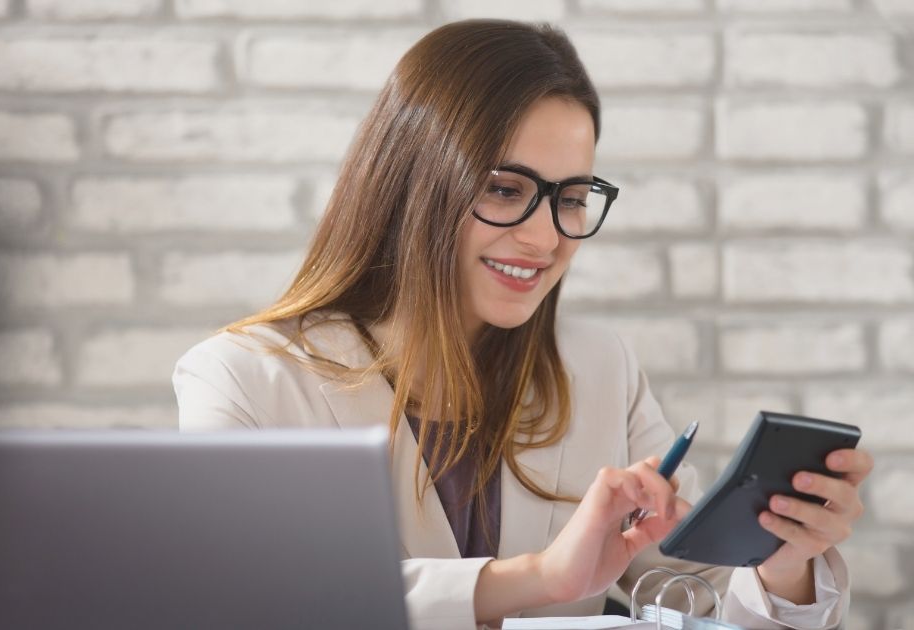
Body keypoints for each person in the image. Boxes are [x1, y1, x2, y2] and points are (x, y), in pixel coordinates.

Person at [173, 19, 872, 630]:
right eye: (505, 189)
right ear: (413, 184)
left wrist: (783, 560)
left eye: (571, 198)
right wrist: (541, 578)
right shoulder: (243, 379)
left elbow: (701, 598)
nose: (545, 238)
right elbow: (247, 600)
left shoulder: (601, 369)